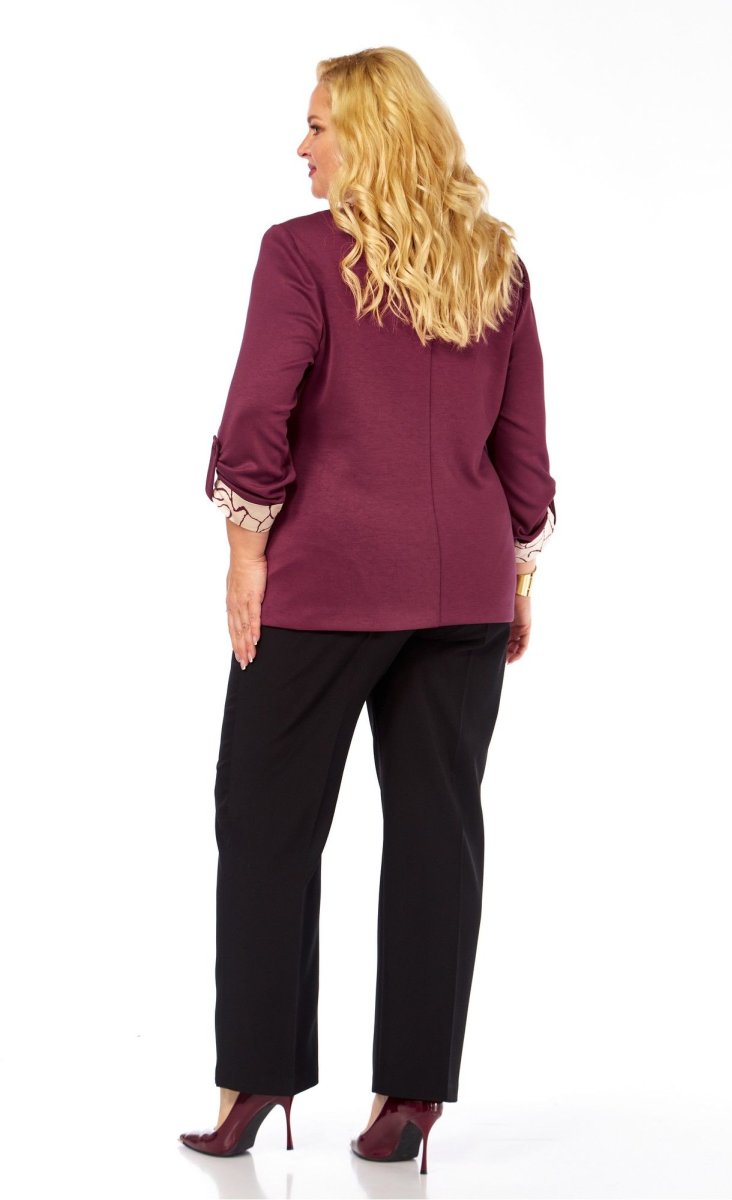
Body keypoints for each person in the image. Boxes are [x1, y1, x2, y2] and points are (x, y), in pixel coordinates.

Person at [179, 47, 557, 1174]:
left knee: (265, 824)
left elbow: (259, 415)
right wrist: (517, 576)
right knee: (439, 831)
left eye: (319, 126)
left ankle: (255, 1080)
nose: (301, 147)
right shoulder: (493, 262)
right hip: (464, 592)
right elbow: (524, 449)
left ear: (371, 135)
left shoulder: (299, 254)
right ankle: (410, 1101)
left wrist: (245, 553)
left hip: (328, 583)